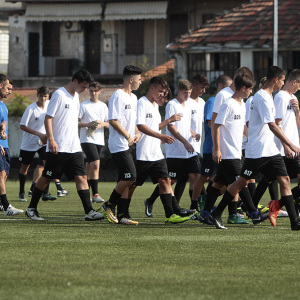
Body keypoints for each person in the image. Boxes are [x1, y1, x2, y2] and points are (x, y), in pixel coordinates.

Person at [210, 66, 300, 231]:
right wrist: (290, 144)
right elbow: (272, 125)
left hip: (270, 150)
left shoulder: (269, 96)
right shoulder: (262, 98)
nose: (282, 83)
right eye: (281, 80)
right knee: (241, 182)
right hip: (257, 151)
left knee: (285, 180)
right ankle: (217, 212)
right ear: (275, 80)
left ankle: (295, 222)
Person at [25, 69, 103, 221]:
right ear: (75, 81)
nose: (85, 90)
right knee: (47, 177)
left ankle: (89, 211)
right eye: (84, 86)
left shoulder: (76, 97)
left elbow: (71, 121)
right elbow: (48, 118)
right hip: (58, 146)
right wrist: (52, 140)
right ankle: (31, 208)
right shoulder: (59, 95)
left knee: (81, 176)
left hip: (74, 146)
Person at [200, 74, 261, 228]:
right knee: (242, 183)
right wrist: (216, 148)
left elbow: (241, 129)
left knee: (218, 184)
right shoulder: (228, 104)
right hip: (227, 153)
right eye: (250, 89)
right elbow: (216, 125)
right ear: (243, 88)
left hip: (235, 152)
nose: (251, 92)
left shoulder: (242, 104)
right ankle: (253, 213)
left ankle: (206, 213)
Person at [135, 76, 191, 223]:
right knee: (131, 183)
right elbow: (140, 126)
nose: (162, 95)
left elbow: (154, 127)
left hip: (156, 153)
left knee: (166, 180)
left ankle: (171, 214)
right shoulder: (142, 102)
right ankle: (115, 206)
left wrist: (165, 125)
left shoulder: (154, 105)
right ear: (152, 88)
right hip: (143, 153)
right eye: (160, 91)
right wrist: (161, 135)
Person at [102, 65, 142, 225]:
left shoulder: (134, 98)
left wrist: (137, 133)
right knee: (130, 176)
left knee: (129, 180)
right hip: (119, 144)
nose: (141, 82)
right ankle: (109, 204)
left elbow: (132, 122)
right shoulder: (118, 96)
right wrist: (127, 136)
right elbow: (113, 120)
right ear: (131, 80)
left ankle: (123, 214)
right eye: (139, 79)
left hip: (130, 143)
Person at [196, 74, 232, 212]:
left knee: (222, 178)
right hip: (211, 147)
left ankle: (207, 199)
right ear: (220, 86)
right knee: (203, 177)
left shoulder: (227, 101)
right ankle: (195, 204)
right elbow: (212, 123)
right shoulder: (213, 101)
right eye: (228, 88)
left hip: (222, 148)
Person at [270, 69, 300, 226]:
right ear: (294, 82)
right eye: (299, 85)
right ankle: (275, 206)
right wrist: (286, 146)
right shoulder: (280, 97)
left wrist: (297, 110)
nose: (299, 89)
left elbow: (297, 125)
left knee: (279, 180)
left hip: (294, 146)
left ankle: (277, 205)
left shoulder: (293, 98)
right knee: (279, 180)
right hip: (285, 148)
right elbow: (277, 124)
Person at [164, 79, 200, 210]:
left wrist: (194, 134)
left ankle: (193, 207)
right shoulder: (172, 105)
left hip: (188, 150)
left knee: (195, 176)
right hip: (176, 150)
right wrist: (184, 142)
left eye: (189, 93)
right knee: (170, 181)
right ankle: (151, 201)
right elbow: (172, 127)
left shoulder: (188, 104)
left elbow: (185, 126)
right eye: (185, 93)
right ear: (178, 91)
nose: (188, 96)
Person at [174, 73, 208, 210]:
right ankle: (198, 205)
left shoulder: (203, 103)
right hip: (185, 145)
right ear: (194, 86)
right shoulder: (185, 102)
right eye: (202, 87)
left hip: (195, 144)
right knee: (195, 176)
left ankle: (170, 205)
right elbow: (181, 125)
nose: (203, 91)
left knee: (182, 178)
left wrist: (196, 135)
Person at [18, 86, 57, 202]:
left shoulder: (50, 105)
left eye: (45, 96)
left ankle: (45, 192)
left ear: (48, 96)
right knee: (25, 168)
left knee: (48, 164)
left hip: (43, 143)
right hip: (28, 143)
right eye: (41, 96)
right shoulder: (31, 109)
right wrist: (38, 134)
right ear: (37, 95)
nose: (43, 99)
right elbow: (22, 126)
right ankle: (21, 192)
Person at [79, 81, 109, 203]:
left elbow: (109, 123)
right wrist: (88, 124)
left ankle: (86, 192)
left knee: (90, 166)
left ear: (100, 92)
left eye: (96, 91)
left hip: (99, 140)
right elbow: (75, 122)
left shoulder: (103, 106)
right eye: (91, 90)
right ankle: (95, 194)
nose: (93, 93)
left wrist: (101, 124)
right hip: (86, 139)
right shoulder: (84, 105)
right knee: (96, 164)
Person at [0, 74, 23, 215]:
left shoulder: (3, 106)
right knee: (1, 174)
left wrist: (3, 126)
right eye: (8, 88)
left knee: (4, 176)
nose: (10, 91)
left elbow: (4, 121)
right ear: (0, 85)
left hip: (5, 145)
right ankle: (7, 206)